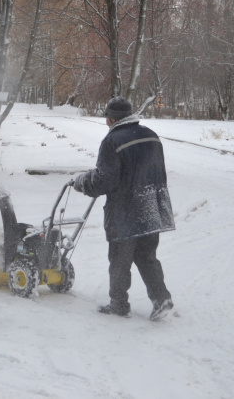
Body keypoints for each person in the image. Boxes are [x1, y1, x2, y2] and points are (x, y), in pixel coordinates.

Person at [73, 96, 175, 321]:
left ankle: (118, 304)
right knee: (147, 255)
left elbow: (104, 181)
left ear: (111, 118)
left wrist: (82, 182)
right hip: (151, 204)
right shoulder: (151, 135)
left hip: (125, 210)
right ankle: (162, 299)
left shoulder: (112, 141)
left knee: (120, 258)